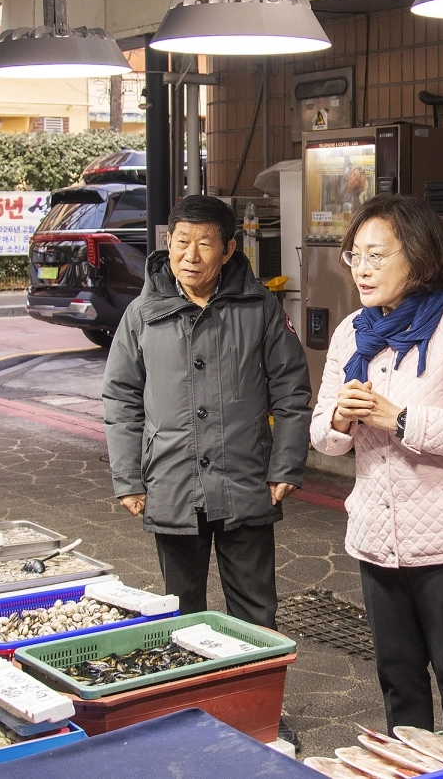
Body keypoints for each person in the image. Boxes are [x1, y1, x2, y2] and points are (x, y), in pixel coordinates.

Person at [309, 194, 443, 744]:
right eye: (355, 255)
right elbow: (323, 438)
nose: (362, 268)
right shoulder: (352, 331)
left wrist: (399, 419)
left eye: (377, 255)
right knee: (398, 679)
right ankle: (409, 770)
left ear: (418, 258)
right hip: (378, 537)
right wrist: (341, 418)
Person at [103, 195, 312, 630]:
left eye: (204, 243)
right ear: (168, 243)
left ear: (229, 249)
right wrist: (128, 477)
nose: (191, 256)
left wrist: (286, 465)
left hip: (246, 481)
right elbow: (121, 398)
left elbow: (291, 390)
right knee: (179, 616)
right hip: (172, 482)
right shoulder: (142, 314)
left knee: (255, 615)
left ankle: (255, 677)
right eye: (181, 242)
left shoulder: (260, 308)